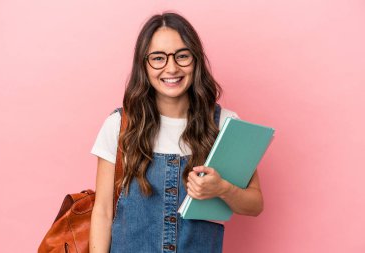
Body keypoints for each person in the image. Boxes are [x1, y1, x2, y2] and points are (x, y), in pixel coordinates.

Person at [89, 12, 263, 253]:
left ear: (195, 60)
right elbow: (103, 211)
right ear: (144, 64)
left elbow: (255, 204)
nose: (171, 68)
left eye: (182, 56)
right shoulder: (120, 125)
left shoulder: (224, 124)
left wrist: (223, 189)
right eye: (158, 58)